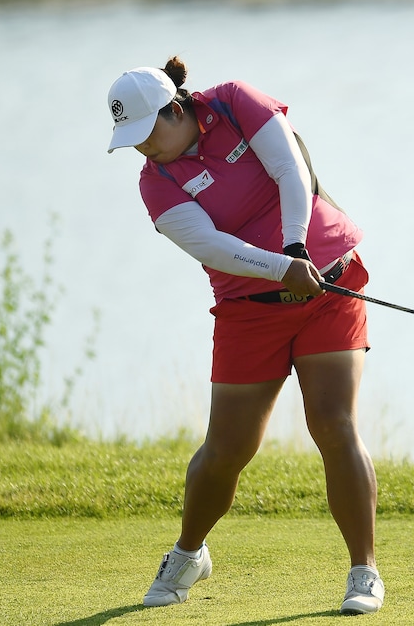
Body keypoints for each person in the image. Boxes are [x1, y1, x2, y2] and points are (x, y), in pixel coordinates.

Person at [105, 57, 384, 616]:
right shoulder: (154, 181)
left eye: (147, 132)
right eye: (130, 140)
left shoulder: (233, 101)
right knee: (229, 448)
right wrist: (282, 268)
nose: (143, 148)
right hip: (247, 310)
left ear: (175, 109)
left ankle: (364, 572)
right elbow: (208, 245)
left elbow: (290, 171)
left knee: (333, 423)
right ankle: (189, 555)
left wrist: (297, 250)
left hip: (328, 283)